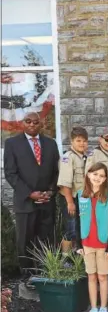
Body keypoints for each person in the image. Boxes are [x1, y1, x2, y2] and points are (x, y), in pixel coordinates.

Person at [4, 112, 60, 287]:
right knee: (25, 239)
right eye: (28, 121)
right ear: (22, 123)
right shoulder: (12, 143)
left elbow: (56, 171)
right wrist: (30, 193)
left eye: (36, 122)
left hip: (46, 201)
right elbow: (10, 173)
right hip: (25, 201)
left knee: (46, 238)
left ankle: (46, 271)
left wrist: (51, 191)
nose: (32, 124)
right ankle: (28, 275)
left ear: (41, 124)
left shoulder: (51, 144)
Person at [75, 163, 108, 312]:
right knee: (91, 276)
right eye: (95, 174)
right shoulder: (80, 195)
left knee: (103, 276)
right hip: (87, 243)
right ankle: (93, 309)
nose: (97, 178)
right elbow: (77, 221)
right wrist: (78, 243)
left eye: (101, 175)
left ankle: (103, 309)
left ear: (105, 179)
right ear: (88, 175)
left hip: (103, 243)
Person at [57, 126, 88, 254]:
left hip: (83, 199)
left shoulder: (84, 156)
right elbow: (65, 183)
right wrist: (70, 202)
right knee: (70, 229)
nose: (82, 143)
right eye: (78, 140)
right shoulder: (67, 157)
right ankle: (65, 259)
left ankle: (76, 257)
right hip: (70, 198)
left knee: (79, 229)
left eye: (84, 141)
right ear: (72, 142)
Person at [85, 127, 108, 192]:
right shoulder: (94, 154)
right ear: (100, 139)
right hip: (102, 193)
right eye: (107, 140)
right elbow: (87, 176)